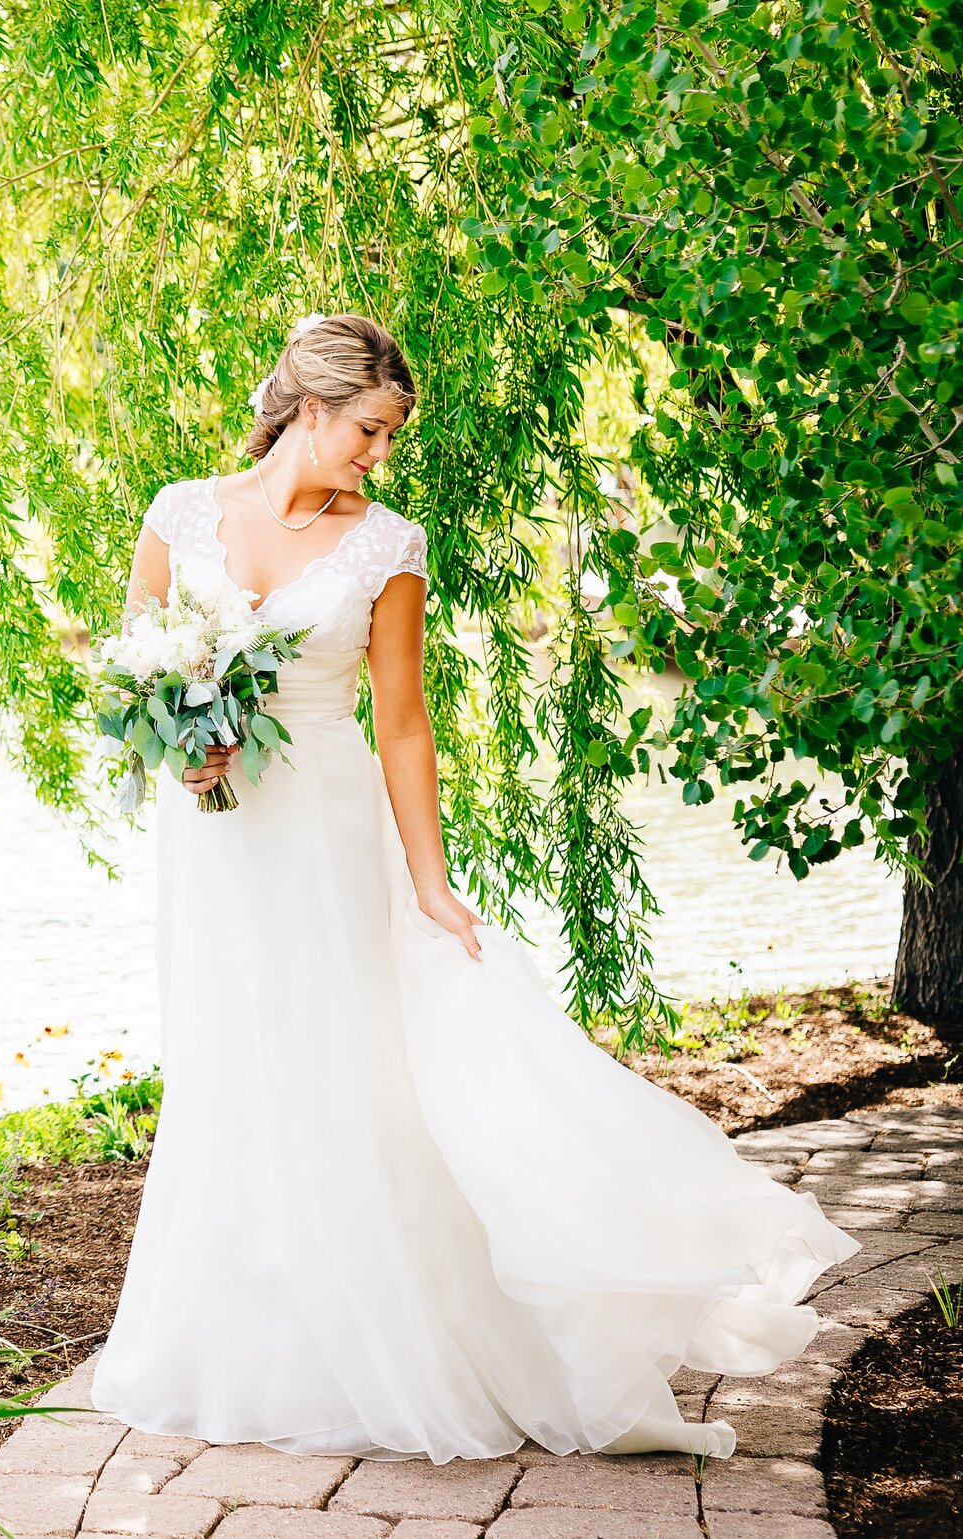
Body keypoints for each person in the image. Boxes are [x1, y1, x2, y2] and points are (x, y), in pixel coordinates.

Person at [89, 313, 857, 1462]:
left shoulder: (386, 544)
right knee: (226, 1053)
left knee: (338, 1059)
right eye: (365, 429)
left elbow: (401, 725)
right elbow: (137, 661)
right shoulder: (177, 512)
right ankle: (239, 1342)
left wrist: (433, 884)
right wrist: (177, 745)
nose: (374, 453)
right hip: (212, 833)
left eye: (386, 434)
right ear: (309, 406)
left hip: (324, 822)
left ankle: (384, 1335)